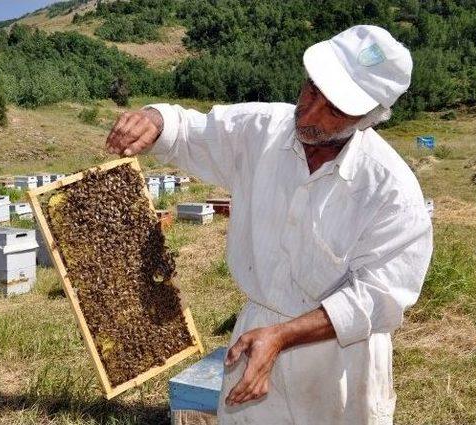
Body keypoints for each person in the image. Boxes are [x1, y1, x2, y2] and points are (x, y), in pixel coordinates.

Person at [105, 25, 433, 425]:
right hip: (255, 334)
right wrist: (154, 120)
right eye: (311, 91)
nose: (310, 114)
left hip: (339, 358)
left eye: (335, 110)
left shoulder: (390, 190)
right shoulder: (260, 130)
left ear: (371, 117)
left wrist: (283, 337)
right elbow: (189, 130)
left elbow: (380, 297)